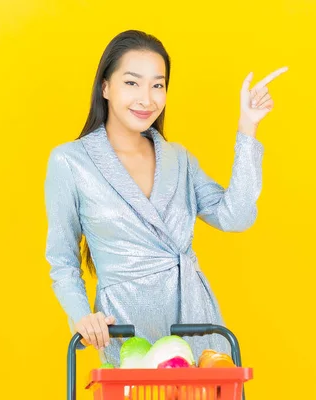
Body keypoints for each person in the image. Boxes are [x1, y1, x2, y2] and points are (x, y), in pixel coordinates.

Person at [44, 29, 287, 366]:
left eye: (157, 85)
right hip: (128, 330)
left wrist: (248, 127)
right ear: (105, 87)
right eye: (132, 82)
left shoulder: (179, 159)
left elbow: (236, 216)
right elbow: (62, 259)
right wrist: (82, 316)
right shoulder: (70, 161)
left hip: (196, 324)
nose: (147, 98)